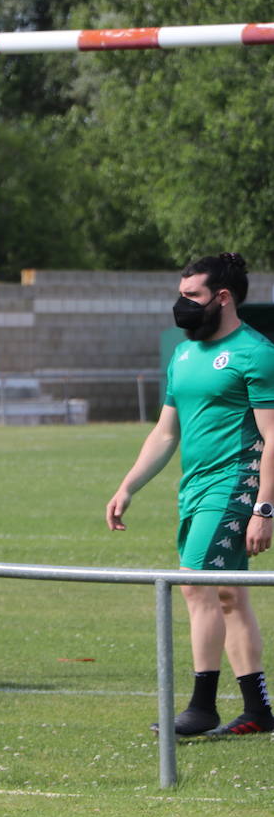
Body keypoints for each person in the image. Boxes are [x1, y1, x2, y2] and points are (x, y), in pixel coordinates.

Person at [106, 252, 274, 738]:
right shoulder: (182, 354)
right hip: (194, 488)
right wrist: (128, 485)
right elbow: (165, 433)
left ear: (222, 298)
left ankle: (202, 708)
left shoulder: (256, 353)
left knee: (195, 584)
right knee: (228, 595)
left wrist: (264, 508)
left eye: (191, 296)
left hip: (234, 488)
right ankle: (258, 710)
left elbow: (273, 437)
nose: (182, 305)